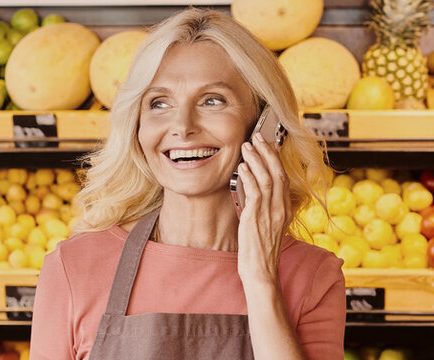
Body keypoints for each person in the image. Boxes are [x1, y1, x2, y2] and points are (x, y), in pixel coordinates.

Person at [30, 8, 345, 360]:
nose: (182, 125)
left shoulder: (312, 277)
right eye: (159, 103)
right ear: (137, 127)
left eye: (213, 100)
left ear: (265, 125)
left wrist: (261, 282)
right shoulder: (73, 268)